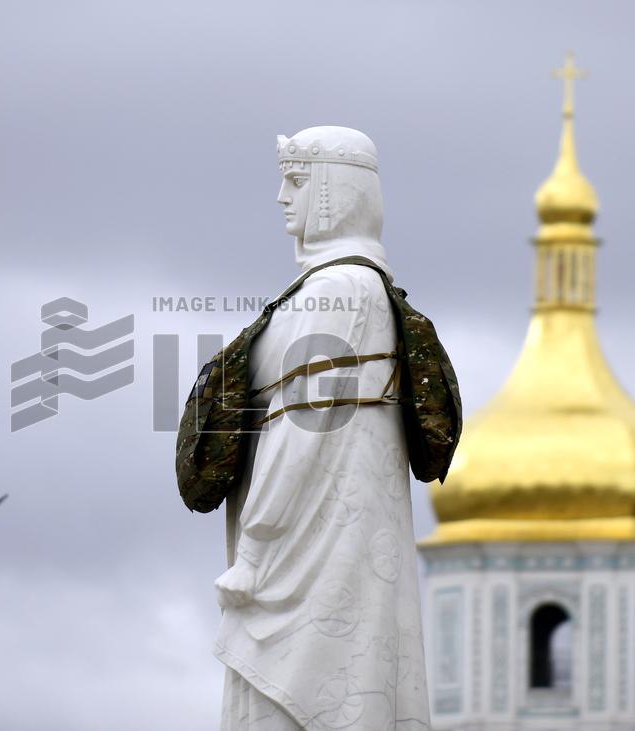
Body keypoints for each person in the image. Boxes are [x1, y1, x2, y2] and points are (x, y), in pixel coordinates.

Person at [213, 126, 431, 731]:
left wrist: (254, 552)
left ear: (336, 191)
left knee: (310, 695)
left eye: (297, 180)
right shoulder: (338, 290)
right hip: (319, 534)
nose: (282, 197)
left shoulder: (339, 291)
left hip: (311, 546)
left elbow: (301, 431)